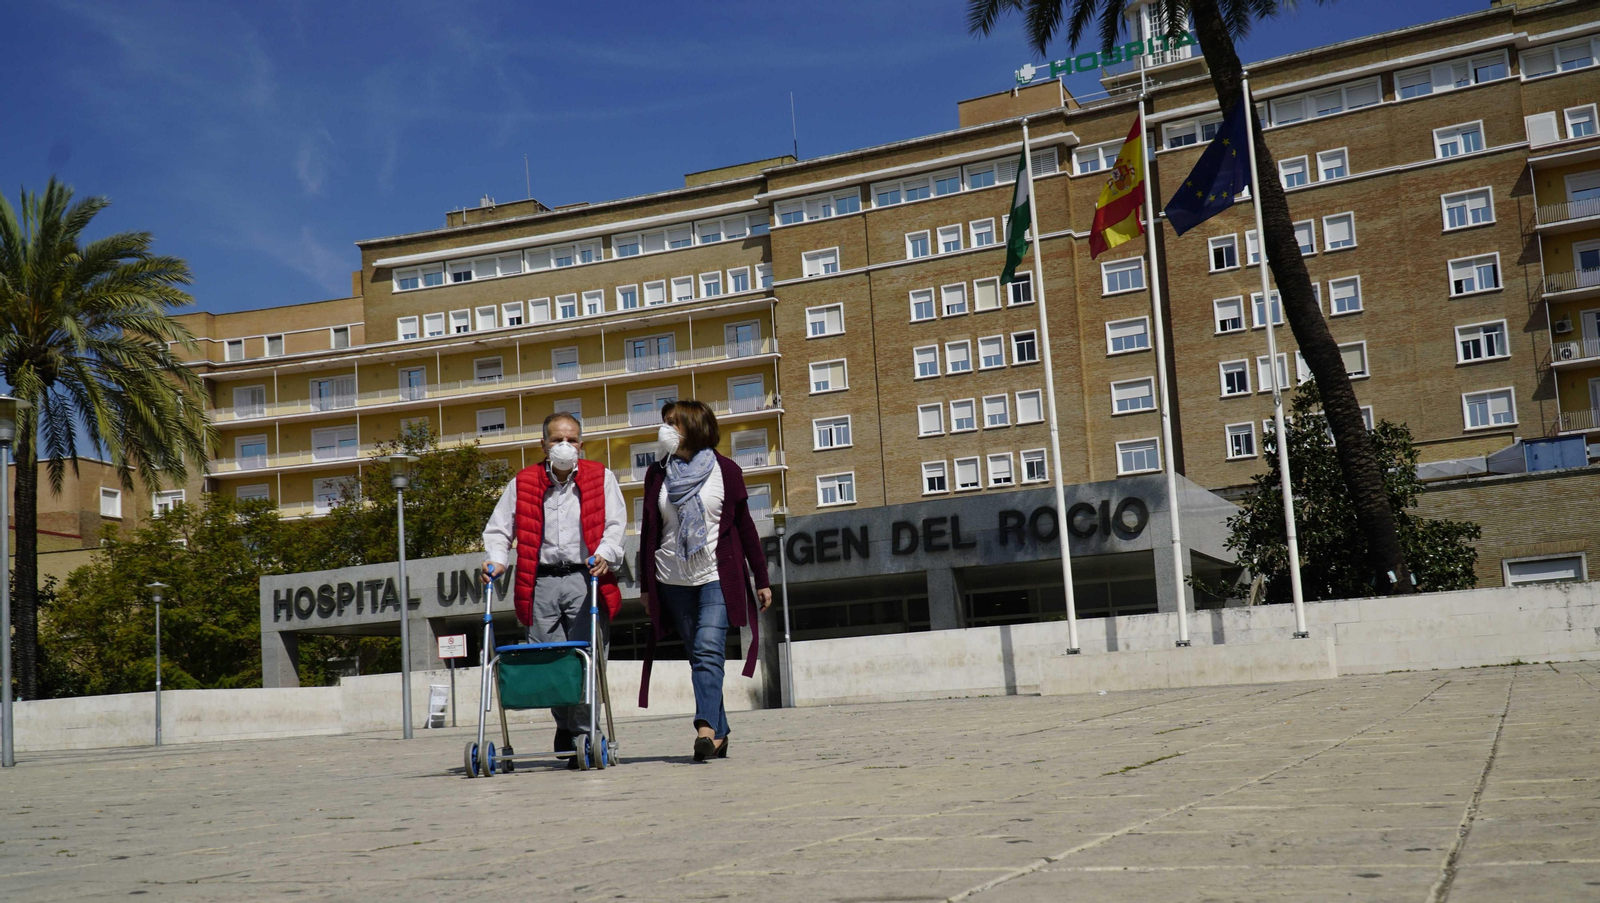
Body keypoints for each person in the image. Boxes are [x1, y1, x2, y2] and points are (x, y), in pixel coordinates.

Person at [482, 411, 624, 768]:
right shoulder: (523, 482)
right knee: (549, 661)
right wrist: (497, 560)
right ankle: (566, 727)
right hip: (539, 580)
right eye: (557, 439)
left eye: (572, 439)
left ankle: (582, 733)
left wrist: (605, 553)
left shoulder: (600, 477)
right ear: (543, 444)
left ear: (581, 444)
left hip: (585, 576)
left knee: (585, 657)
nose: (565, 446)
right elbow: (500, 530)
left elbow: (616, 524)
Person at [637, 400, 772, 762]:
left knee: (708, 650)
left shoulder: (725, 470)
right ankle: (721, 734)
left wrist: (762, 578)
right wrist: (647, 588)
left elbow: (745, 527)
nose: (664, 428)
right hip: (671, 578)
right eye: (664, 422)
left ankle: (704, 729)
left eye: (672, 423)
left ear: (693, 427)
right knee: (699, 656)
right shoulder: (657, 473)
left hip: (714, 573)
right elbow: (649, 531)